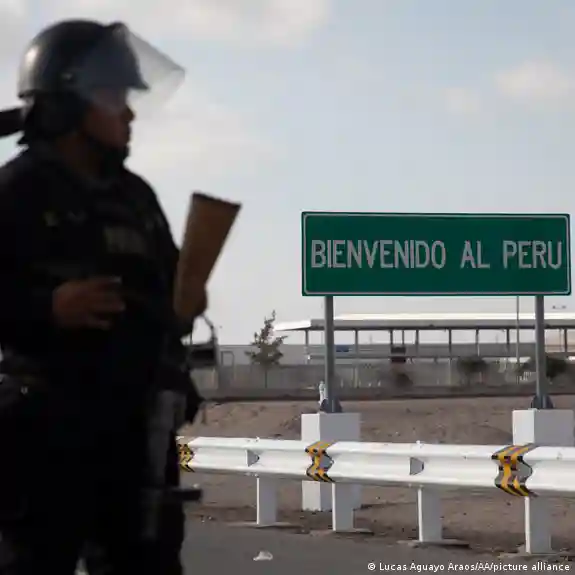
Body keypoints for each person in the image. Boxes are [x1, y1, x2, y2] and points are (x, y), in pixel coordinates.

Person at [0, 19, 204, 574]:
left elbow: (169, 297)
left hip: (136, 439)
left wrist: (185, 302)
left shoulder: (135, 198)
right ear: (69, 103)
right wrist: (46, 309)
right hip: (44, 440)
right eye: (114, 97)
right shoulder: (17, 192)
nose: (129, 114)